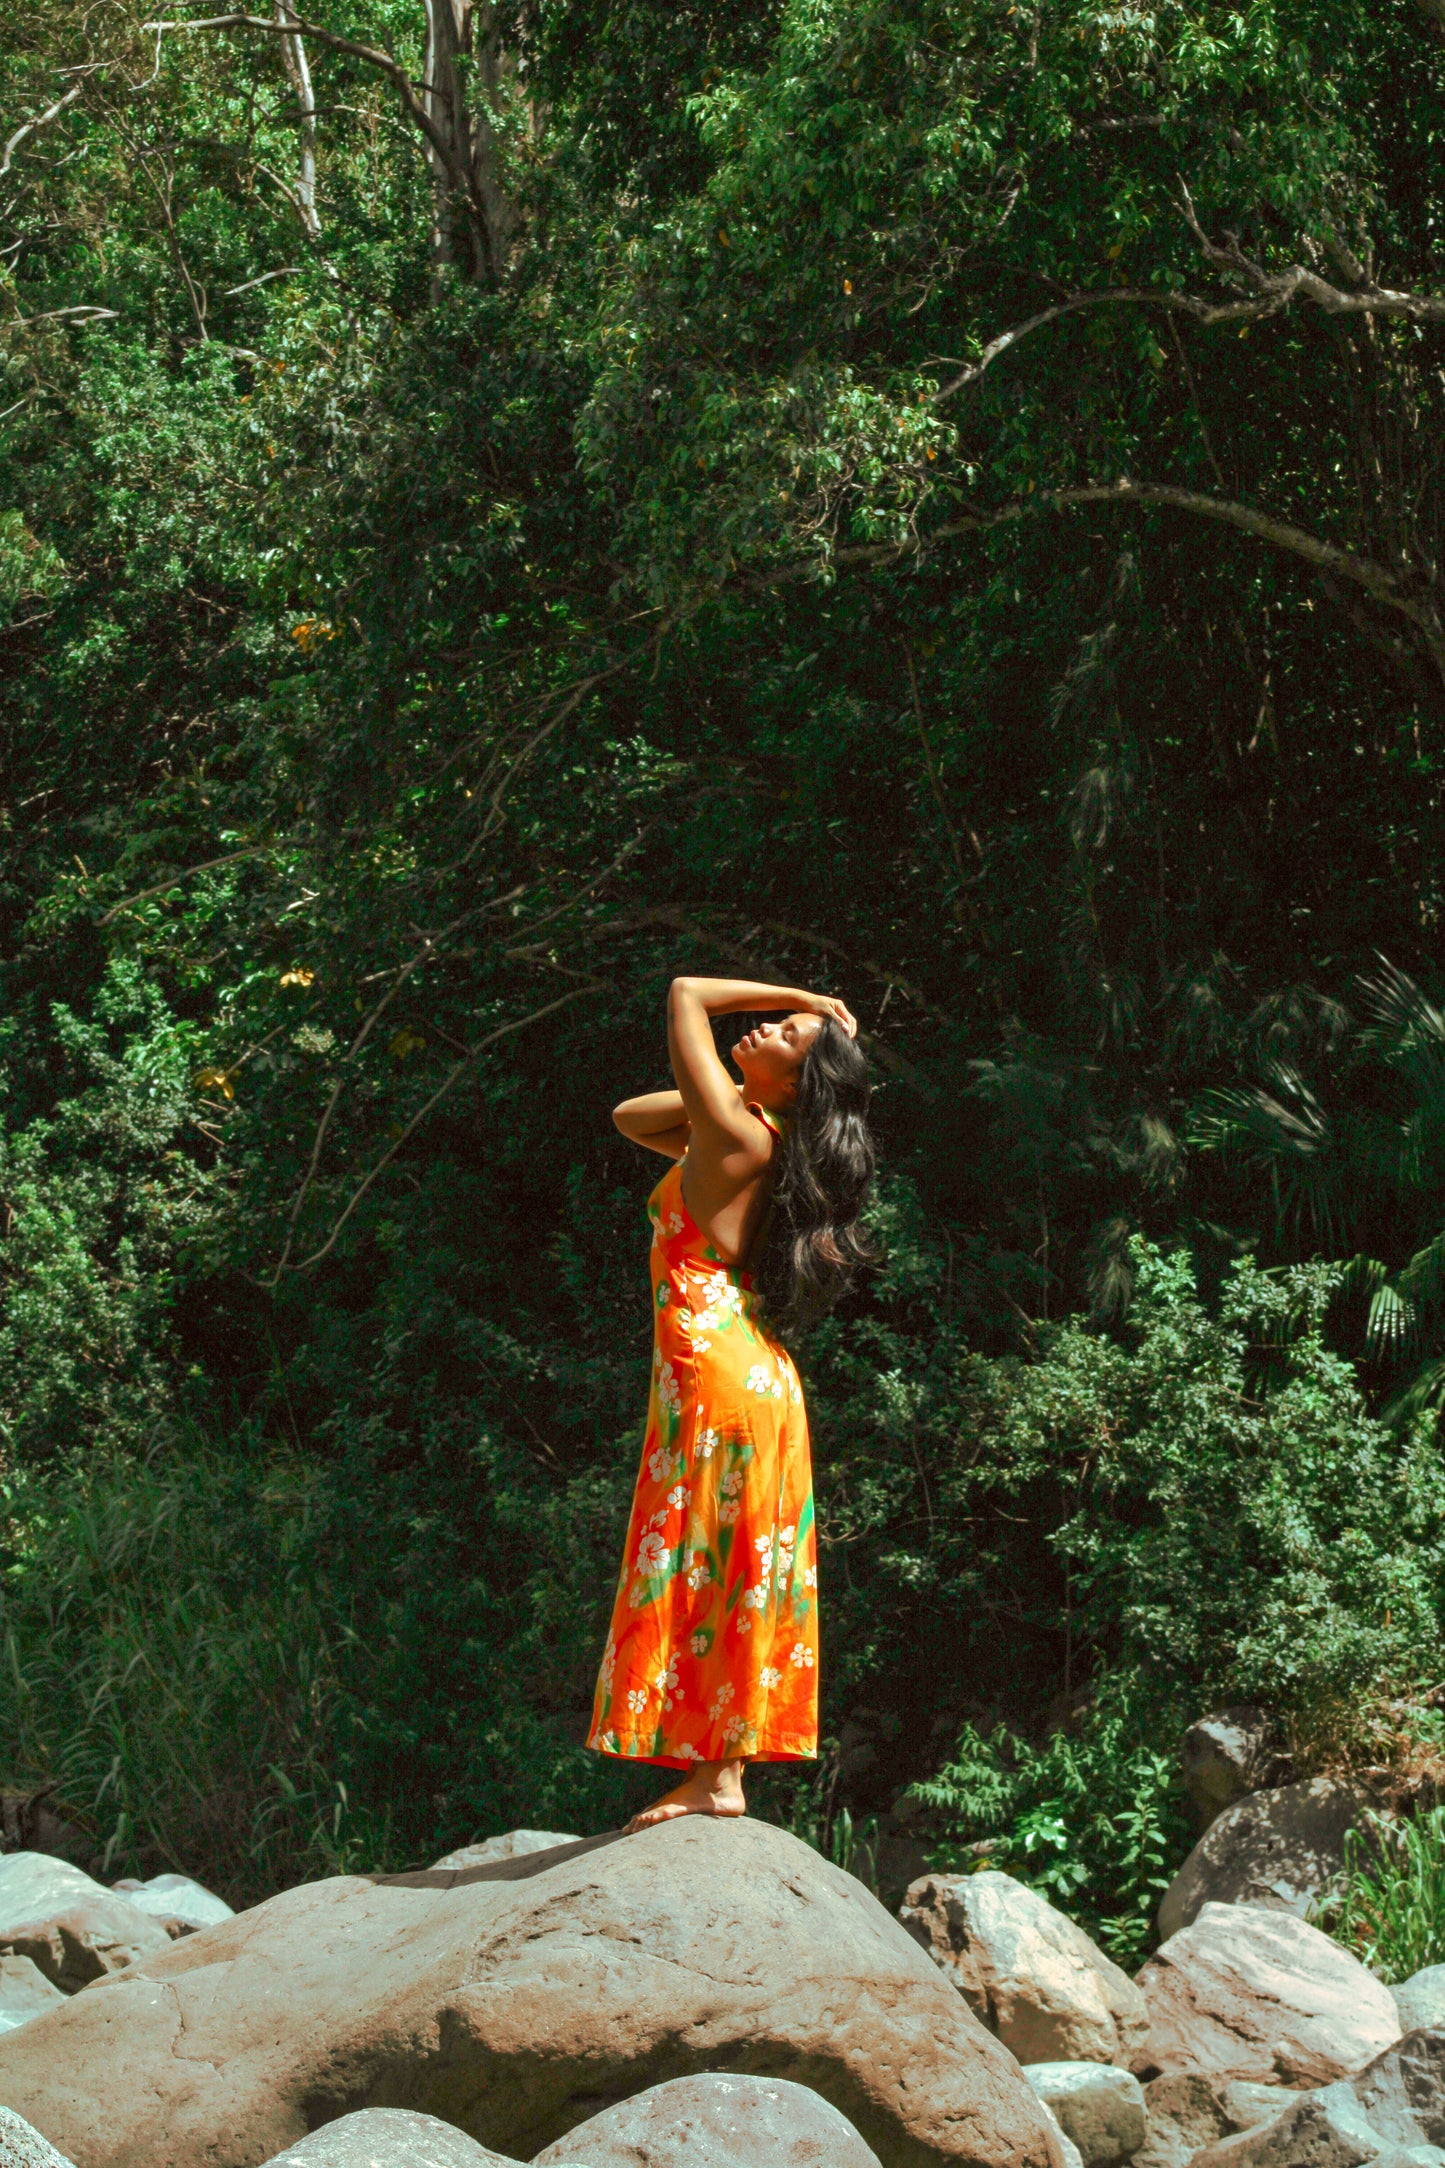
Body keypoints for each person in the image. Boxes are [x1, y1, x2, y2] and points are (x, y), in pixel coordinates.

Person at [588, 974, 876, 1831]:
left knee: (719, 1570)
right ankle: (719, 1772)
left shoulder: (742, 1135)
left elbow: (682, 992)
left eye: (780, 1036)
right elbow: (631, 1119)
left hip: (719, 1375)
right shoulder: (747, 1131)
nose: (757, 1029)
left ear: (796, 1081)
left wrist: (809, 999)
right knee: (734, 1570)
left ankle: (718, 1777)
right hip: (738, 1375)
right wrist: (783, 1048)